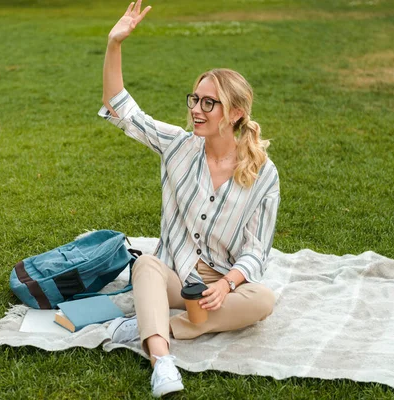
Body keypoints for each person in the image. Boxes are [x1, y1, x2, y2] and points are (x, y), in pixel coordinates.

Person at [99, 1, 280, 397]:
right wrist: (115, 44)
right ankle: (162, 363)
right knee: (145, 265)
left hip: (217, 285)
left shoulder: (263, 174)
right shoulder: (178, 147)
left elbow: (257, 251)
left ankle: (161, 323)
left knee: (263, 299)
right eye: (194, 100)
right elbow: (120, 108)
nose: (196, 110)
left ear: (234, 113)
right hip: (173, 275)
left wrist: (228, 285)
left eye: (208, 103)